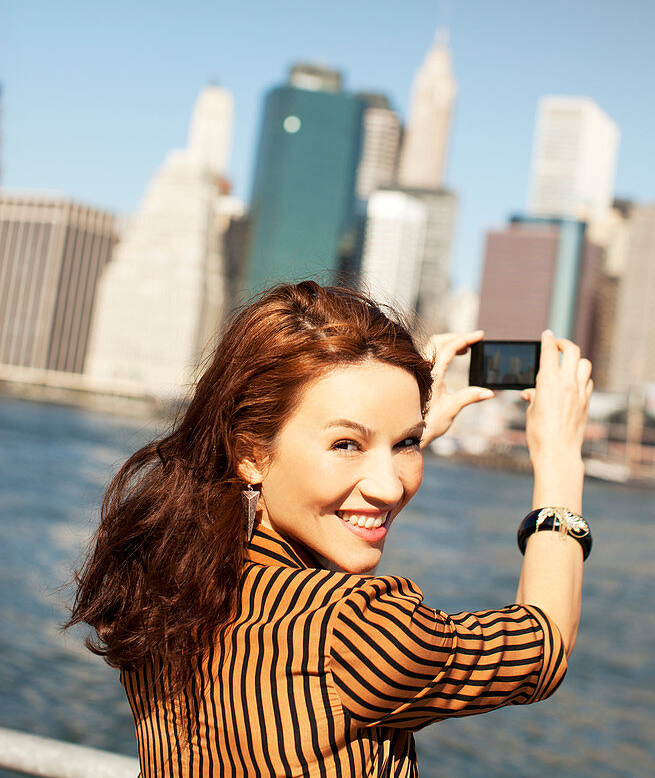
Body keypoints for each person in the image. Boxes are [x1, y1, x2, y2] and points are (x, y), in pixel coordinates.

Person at [68, 280, 592, 777]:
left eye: (407, 444)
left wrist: (375, 428)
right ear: (251, 451)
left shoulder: (166, 576)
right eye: (346, 444)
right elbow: (542, 649)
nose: (389, 487)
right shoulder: (352, 627)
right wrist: (561, 459)